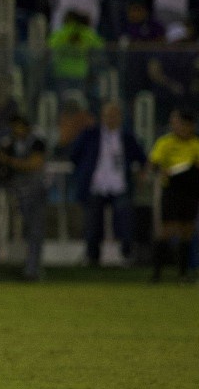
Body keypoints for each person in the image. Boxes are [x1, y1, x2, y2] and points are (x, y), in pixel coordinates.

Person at [68, 101, 145, 268]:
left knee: (125, 222)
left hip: (120, 185)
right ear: (102, 117)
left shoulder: (127, 137)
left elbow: (141, 157)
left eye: (115, 115)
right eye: (108, 115)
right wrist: (84, 172)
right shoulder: (90, 134)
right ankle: (92, 257)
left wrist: (141, 173)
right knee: (93, 224)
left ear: (121, 118)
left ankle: (127, 255)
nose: (111, 119)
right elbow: (73, 155)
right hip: (96, 185)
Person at [0, 114, 49, 281]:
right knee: (25, 231)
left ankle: (32, 270)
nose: (17, 131)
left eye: (19, 127)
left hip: (35, 191)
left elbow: (35, 164)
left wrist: (8, 161)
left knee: (35, 230)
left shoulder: (37, 142)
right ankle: (25, 266)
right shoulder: (10, 142)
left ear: (26, 127)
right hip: (16, 191)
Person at [148, 108, 199, 283]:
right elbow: (153, 163)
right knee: (167, 230)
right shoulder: (165, 142)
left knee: (187, 230)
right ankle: (157, 273)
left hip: (190, 191)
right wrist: (162, 170)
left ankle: (183, 274)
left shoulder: (195, 144)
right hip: (172, 191)